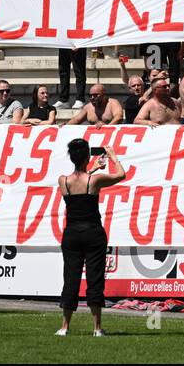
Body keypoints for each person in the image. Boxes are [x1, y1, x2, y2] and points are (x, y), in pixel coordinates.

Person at [57, 139, 125, 336]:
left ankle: (64, 327)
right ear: (87, 157)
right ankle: (96, 328)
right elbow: (121, 175)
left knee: (70, 278)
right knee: (94, 280)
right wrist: (113, 157)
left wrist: (91, 167)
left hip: (71, 234)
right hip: (93, 232)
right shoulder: (94, 180)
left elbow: (79, 178)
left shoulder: (64, 180)